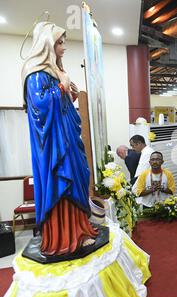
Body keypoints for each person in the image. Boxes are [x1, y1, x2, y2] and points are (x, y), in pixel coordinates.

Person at [21, 22, 98, 256]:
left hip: (67, 141)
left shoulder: (54, 72)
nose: (64, 47)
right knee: (63, 183)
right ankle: (66, 236)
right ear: (47, 44)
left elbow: (62, 109)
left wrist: (70, 95)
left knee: (77, 178)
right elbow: (41, 107)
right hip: (55, 147)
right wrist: (62, 87)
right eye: (60, 42)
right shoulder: (35, 73)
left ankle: (79, 229)